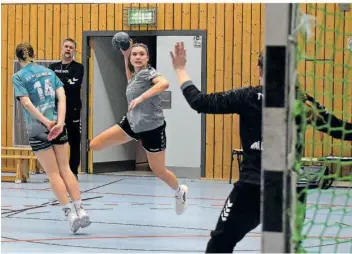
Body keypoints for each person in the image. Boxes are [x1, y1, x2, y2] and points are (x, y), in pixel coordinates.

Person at [169, 42, 352, 253]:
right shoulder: (302, 102)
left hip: (252, 188)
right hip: (288, 191)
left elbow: (199, 102)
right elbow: (340, 129)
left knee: (220, 244)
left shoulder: (247, 97)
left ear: (259, 69)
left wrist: (180, 69)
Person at [89, 40, 188, 215]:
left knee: (159, 171)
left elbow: (164, 84)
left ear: (148, 57)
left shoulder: (150, 73)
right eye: (135, 54)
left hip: (152, 129)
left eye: (141, 54)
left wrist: (140, 99)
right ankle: (127, 143)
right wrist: (125, 56)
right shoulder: (135, 76)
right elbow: (130, 79)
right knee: (94, 145)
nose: (138, 57)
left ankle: (180, 191)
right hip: (132, 124)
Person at [12, 42, 91, 234]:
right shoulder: (49, 72)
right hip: (58, 123)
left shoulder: (18, 76)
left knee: (53, 173)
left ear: (19, 58)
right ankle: (81, 209)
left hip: (39, 127)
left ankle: (69, 214)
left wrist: (46, 123)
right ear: (33, 54)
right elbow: (62, 97)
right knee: (66, 169)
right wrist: (60, 122)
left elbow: (27, 103)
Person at [49, 38, 84, 180]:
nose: (68, 49)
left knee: (74, 141)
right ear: (62, 48)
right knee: (56, 140)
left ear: (74, 50)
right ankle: (57, 171)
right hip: (55, 110)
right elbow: (50, 86)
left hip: (73, 109)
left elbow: (73, 85)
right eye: (66, 46)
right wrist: (64, 81)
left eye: (71, 47)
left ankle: (73, 171)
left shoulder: (79, 67)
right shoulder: (52, 67)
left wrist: (60, 82)